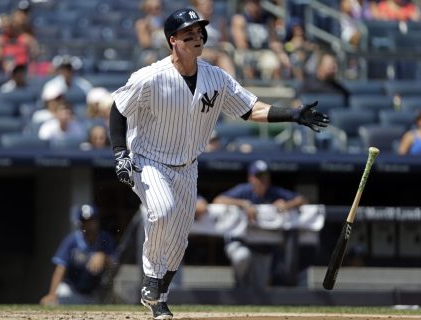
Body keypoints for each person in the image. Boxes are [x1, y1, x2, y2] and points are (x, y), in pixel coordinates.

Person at [109, 7, 328, 319]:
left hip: (187, 166)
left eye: (199, 31)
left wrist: (292, 114)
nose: (197, 36)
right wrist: (120, 155)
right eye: (189, 33)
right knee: (162, 210)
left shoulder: (215, 78)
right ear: (173, 40)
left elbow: (250, 109)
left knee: (179, 241)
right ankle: (150, 281)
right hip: (149, 160)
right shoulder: (151, 77)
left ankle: (158, 299)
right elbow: (118, 109)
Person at [212, 160, 308, 289]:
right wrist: (244, 204)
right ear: (250, 178)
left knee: (260, 290)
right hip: (240, 242)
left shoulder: (275, 192)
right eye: (258, 176)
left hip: (263, 248)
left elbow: (302, 199)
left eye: (265, 176)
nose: (263, 180)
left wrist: (287, 205)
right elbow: (218, 201)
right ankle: (239, 286)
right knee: (242, 257)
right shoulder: (244, 191)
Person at [40, 204, 116, 305]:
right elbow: (60, 267)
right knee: (56, 299)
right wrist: (52, 294)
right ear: (80, 223)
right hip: (71, 290)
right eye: (85, 221)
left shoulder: (105, 239)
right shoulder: (72, 240)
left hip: (94, 293)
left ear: (97, 221)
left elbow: (115, 263)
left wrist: (104, 257)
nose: (89, 225)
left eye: (92, 220)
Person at [230, 0, 291, 80]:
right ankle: (249, 89)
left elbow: (273, 41)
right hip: (245, 51)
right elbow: (241, 45)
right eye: (253, 2)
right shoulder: (240, 19)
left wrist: (281, 54)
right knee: (247, 62)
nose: (256, 6)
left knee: (274, 63)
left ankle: (276, 90)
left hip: (264, 51)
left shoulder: (267, 19)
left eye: (258, 3)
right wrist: (253, 57)